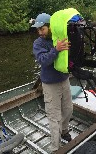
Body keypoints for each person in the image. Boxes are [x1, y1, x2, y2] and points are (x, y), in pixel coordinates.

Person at [31, 13, 73, 153]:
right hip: (50, 84)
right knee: (54, 117)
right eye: (38, 30)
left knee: (68, 109)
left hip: (64, 79)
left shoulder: (60, 37)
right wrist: (56, 50)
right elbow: (43, 60)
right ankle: (55, 149)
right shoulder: (38, 43)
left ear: (50, 27)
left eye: (42, 29)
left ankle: (65, 131)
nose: (40, 32)